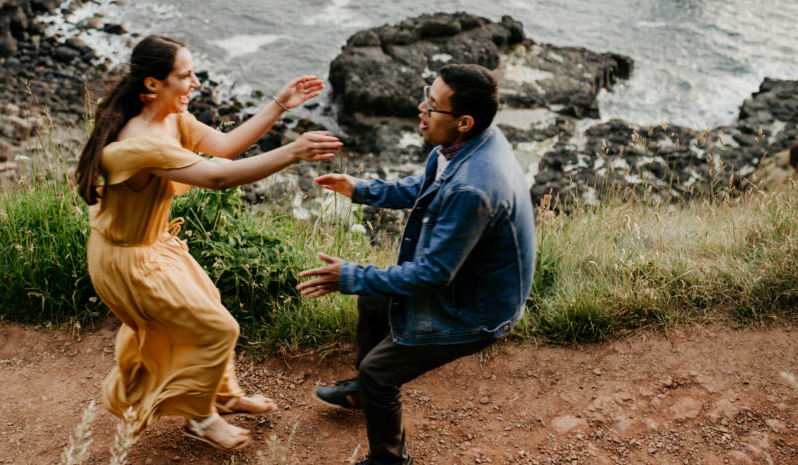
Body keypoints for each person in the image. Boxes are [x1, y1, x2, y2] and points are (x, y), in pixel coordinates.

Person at [75, 35, 342, 451]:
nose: (196, 82)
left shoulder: (171, 120)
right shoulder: (140, 144)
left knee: (209, 309)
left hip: (154, 245)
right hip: (126, 259)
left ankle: (222, 393)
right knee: (216, 327)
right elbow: (218, 178)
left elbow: (225, 148)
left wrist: (281, 103)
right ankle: (200, 419)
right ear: (152, 85)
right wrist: (292, 151)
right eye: (185, 75)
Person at [296, 63, 535, 465]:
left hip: (477, 311)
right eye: (427, 94)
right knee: (373, 299)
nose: (421, 108)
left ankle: (389, 457)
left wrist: (349, 275)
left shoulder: (472, 187)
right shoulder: (466, 145)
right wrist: (361, 189)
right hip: (466, 285)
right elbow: (425, 188)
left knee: (379, 371)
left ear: (463, 121)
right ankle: (362, 393)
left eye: (432, 104)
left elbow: (432, 275)